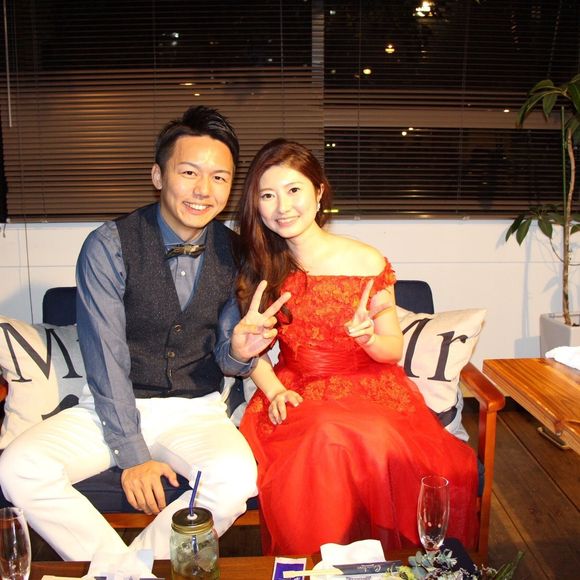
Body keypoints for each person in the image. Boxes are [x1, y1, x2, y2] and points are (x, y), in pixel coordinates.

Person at [0, 106, 283, 561]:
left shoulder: (237, 252)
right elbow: (105, 355)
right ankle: (129, 572)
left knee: (236, 478)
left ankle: (128, 570)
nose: (203, 190)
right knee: (19, 467)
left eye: (219, 178)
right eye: (189, 172)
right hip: (110, 406)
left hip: (195, 410)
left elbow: (227, 358)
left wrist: (239, 352)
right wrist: (132, 455)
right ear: (158, 175)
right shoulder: (108, 244)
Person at [234, 138, 480, 555]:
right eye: (268, 195)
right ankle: (321, 564)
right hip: (296, 388)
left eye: (293, 190)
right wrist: (274, 390)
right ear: (256, 204)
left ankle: (378, 563)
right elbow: (250, 347)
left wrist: (368, 339)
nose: (282, 206)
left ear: (318, 192)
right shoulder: (259, 263)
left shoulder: (367, 260)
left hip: (370, 384)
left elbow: (393, 349)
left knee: (378, 441)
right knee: (323, 436)